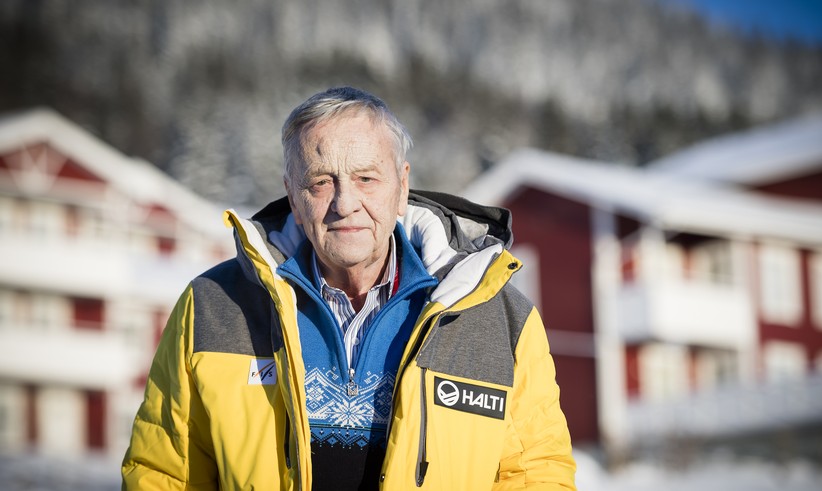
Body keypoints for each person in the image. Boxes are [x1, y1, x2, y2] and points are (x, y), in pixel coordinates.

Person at [121, 86, 576, 490]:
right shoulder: (213, 308)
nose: (345, 203)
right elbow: (165, 475)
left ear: (402, 187)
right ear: (293, 198)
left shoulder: (500, 321)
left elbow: (536, 477)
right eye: (320, 182)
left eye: (366, 178)